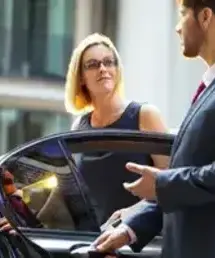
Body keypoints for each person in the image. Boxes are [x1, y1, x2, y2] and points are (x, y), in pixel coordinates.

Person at [93, 0, 215, 257]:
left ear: (205, 17)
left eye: (182, 15)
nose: (178, 28)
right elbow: (193, 186)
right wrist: (131, 228)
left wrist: (161, 183)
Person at [64, 32, 169, 226]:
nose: (103, 69)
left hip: (139, 241)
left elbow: (173, 184)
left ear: (117, 69)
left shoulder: (145, 115)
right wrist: (23, 221)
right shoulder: (79, 127)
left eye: (108, 62)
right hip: (94, 243)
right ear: (81, 78)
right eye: (93, 65)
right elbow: (66, 195)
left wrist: (134, 212)